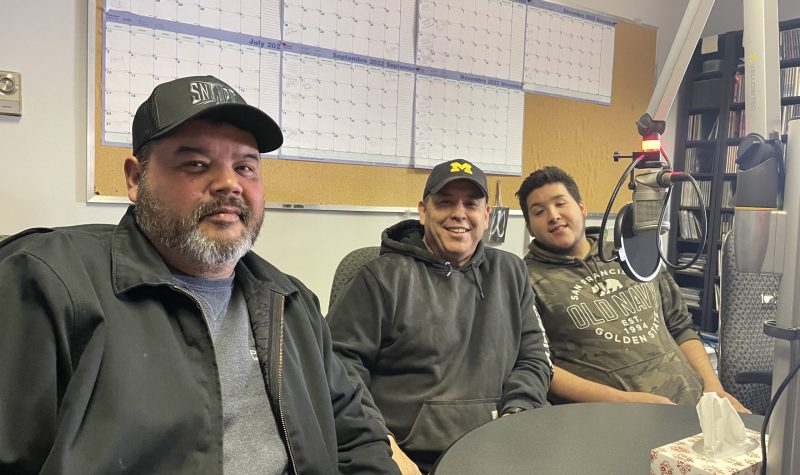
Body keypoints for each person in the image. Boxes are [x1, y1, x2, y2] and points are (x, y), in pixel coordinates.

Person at [0, 75, 399, 474]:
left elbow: (356, 438)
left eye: (245, 166)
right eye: (195, 163)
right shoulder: (47, 282)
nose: (229, 184)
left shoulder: (291, 303)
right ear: (136, 179)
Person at [326, 159, 553, 473]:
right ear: (423, 212)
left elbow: (534, 358)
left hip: (498, 445)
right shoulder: (380, 278)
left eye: (471, 204)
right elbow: (339, 367)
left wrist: (517, 415)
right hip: (408, 455)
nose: (459, 213)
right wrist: (381, 445)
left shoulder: (511, 271)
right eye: (445, 202)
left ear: (486, 215)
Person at [514, 165, 749, 412]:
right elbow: (539, 365)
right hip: (617, 419)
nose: (553, 216)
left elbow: (680, 326)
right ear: (530, 227)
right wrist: (625, 402)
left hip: (695, 406)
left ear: (582, 208)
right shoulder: (524, 280)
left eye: (560, 203)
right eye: (539, 212)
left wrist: (714, 388)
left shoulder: (634, 254)